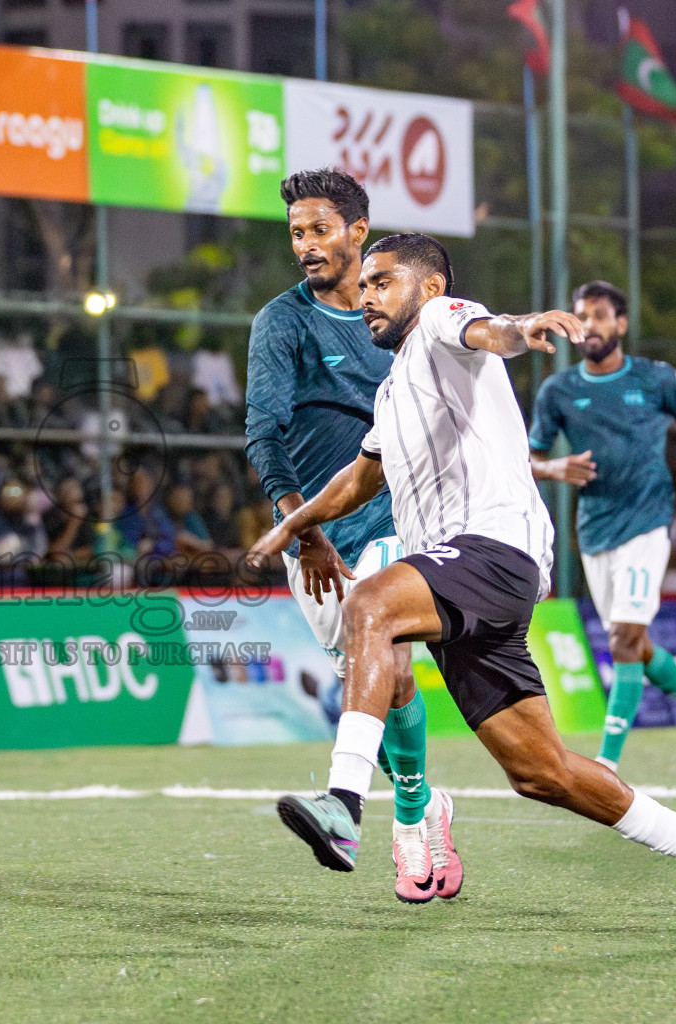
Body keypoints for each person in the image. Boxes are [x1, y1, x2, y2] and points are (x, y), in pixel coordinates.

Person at [252, 233, 676, 935]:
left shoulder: (443, 321)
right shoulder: (392, 392)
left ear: (426, 287)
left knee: (371, 603)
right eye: (362, 289)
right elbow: (360, 480)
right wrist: (293, 522)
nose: (366, 298)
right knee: (540, 771)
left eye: (382, 283)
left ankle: (344, 804)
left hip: (493, 546)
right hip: (469, 580)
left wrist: (524, 326)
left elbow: (492, 331)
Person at [243, 168, 453, 902]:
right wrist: (303, 529)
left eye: (320, 230)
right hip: (313, 531)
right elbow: (262, 435)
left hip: (399, 515)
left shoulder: (397, 316)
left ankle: (398, 823)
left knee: (387, 648)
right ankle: (426, 802)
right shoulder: (281, 323)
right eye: (297, 232)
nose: (306, 245)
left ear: (358, 233)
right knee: (376, 679)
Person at [528, 280, 676, 774]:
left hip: (647, 521)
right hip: (595, 528)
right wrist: (554, 469)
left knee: (624, 637)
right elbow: (531, 456)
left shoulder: (654, 377)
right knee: (634, 644)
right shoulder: (559, 391)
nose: (590, 325)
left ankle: (608, 764)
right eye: (582, 316)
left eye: (600, 315)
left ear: (621, 324)